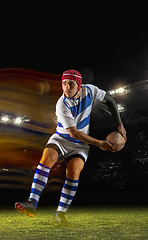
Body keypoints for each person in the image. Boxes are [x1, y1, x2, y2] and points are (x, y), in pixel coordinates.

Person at [15, 69, 127, 225]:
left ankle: (59, 215)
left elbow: (109, 100)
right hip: (62, 138)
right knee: (47, 158)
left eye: (71, 84)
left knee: (73, 172)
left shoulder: (90, 91)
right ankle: (32, 202)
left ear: (79, 86)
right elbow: (74, 133)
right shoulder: (61, 104)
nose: (66, 88)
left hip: (80, 145)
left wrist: (120, 124)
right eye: (64, 84)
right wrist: (99, 143)